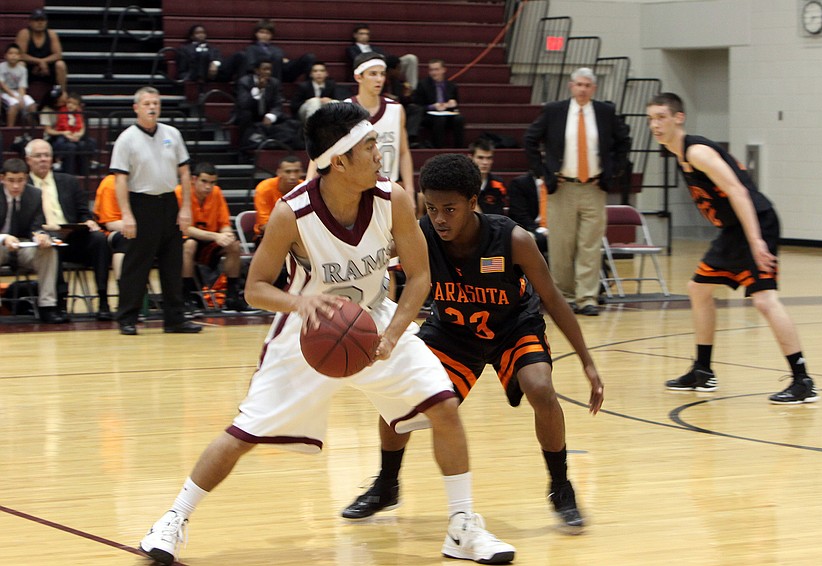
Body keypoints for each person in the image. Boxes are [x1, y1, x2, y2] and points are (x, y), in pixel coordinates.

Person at [138, 103, 515, 566]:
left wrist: (393, 334)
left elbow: (420, 277)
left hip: (375, 321)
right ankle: (173, 519)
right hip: (310, 334)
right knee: (243, 433)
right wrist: (300, 303)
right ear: (339, 160)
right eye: (369, 146)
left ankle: (462, 526)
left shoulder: (392, 197)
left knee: (444, 406)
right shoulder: (292, 213)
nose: (379, 153)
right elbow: (255, 288)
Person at [341, 153, 604, 532]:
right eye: (432, 209)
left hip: (513, 327)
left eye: (450, 209)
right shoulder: (422, 235)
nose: (440, 218)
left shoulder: (513, 239)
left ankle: (561, 486)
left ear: (473, 202)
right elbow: (369, 258)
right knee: (398, 392)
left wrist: (587, 362)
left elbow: (553, 298)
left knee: (540, 388)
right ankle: (386, 484)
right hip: (453, 332)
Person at [646, 92, 819, 405]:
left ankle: (802, 380)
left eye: (661, 117)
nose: (655, 125)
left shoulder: (697, 152)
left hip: (755, 223)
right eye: (651, 119)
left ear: (678, 118)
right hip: (734, 229)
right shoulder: (680, 154)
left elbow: (738, 191)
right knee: (699, 289)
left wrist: (755, 240)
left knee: (764, 300)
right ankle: (703, 370)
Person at [524, 67, 631, 316]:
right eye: (579, 84)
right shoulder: (555, 111)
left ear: (594, 88)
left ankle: (587, 298)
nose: (583, 89)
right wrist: (543, 173)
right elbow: (530, 139)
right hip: (562, 186)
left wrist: (612, 172)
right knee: (561, 246)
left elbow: (624, 141)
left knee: (590, 245)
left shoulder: (605, 112)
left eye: (587, 85)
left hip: (594, 187)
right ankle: (565, 297)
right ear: (571, 86)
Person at [110, 86, 202, 336]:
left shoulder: (172, 133)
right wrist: (126, 214)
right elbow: (120, 179)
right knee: (137, 264)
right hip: (141, 203)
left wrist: (185, 208)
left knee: (173, 263)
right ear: (136, 108)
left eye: (156, 103)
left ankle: (175, 319)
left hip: (169, 202)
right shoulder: (126, 139)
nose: (152, 108)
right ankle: (127, 318)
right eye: (147, 103)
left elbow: (184, 173)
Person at [26, 138, 112, 320]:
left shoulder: (68, 181)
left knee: (99, 239)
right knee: (52, 244)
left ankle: (103, 299)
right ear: (28, 160)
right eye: (38, 156)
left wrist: (88, 221)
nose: (43, 159)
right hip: (44, 240)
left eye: (47, 155)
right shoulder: (23, 185)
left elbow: (83, 212)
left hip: (72, 236)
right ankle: (59, 302)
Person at [175, 162, 256, 314]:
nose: (208, 186)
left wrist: (227, 235)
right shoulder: (180, 192)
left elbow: (224, 224)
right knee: (190, 245)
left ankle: (232, 296)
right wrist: (217, 236)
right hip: (186, 239)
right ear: (193, 179)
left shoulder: (217, 193)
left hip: (210, 241)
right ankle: (186, 296)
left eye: (212, 183)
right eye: (204, 181)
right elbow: (185, 228)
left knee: (233, 245)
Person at [343, 52, 415, 206]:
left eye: (382, 74)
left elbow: (404, 152)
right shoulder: (344, 110)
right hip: (353, 191)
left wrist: (409, 189)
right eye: (373, 74)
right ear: (358, 77)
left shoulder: (396, 109)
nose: (379, 79)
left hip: (387, 190)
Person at [0, 157, 66, 323]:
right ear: (2, 179)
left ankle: (47, 306)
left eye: (20, 180)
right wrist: (5, 238)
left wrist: (40, 235)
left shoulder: (35, 195)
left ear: (26, 179)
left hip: (23, 245)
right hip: (1, 246)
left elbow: (36, 226)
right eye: (11, 181)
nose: (16, 186)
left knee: (49, 251)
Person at [234, 58, 298, 154]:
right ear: (256, 70)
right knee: (245, 115)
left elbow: (278, 104)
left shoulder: (274, 83)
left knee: (290, 121)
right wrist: (257, 90)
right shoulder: (244, 82)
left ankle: (276, 142)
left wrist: (271, 115)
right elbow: (244, 104)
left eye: (269, 69)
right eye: (265, 69)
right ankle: (244, 148)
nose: (268, 72)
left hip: (266, 115)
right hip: (250, 115)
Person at [345, 23, 418, 90]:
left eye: (367, 34)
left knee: (411, 58)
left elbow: (386, 57)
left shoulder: (375, 48)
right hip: (369, 69)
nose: (364, 36)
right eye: (361, 34)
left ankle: (413, 89)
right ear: (355, 35)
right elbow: (357, 61)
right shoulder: (352, 49)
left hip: (385, 66)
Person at [40, 91, 97, 176]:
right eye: (68, 102)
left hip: (74, 135)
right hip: (57, 137)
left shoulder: (77, 112)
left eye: (74, 104)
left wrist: (78, 135)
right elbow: (49, 130)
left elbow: (82, 127)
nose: (70, 105)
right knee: (70, 146)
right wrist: (64, 133)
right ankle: (63, 166)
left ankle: (86, 169)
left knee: (86, 144)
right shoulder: (55, 111)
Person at [242, 19, 316, 84]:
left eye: (267, 33)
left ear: (271, 35)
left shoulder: (276, 49)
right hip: (268, 73)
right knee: (276, 57)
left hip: (283, 72)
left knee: (309, 57)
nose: (264, 35)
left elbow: (284, 63)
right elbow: (251, 66)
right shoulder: (251, 48)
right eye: (262, 32)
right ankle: (275, 89)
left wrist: (284, 61)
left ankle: (310, 88)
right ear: (256, 34)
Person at [413, 59, 465, 149]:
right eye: (431, 70)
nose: (434, 73)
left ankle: (459, 147)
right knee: (440, 119)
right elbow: (418, 106)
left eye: (436, 70)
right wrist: (433, 106)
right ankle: (438, 147)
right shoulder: (423, 84)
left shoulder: (451, 85)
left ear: (443, 70)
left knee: (459, 119)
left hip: (447, 113)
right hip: (429, 115)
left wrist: (452, 104)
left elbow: (455, 102)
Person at [252, 155, 303, 244]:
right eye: (288, 172)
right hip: (268, 236)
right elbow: (264, 225)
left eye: (296, 171)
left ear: (301, 172)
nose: (293, 176)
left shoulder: (305, 188)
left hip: (300, 235)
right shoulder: (264, 188)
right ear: (279, 172)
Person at [14, 9, 67, 92]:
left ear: (46, 22)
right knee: (20, 64)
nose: (40, 23)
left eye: (42, 20)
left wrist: (43, 62)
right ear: (30, 22)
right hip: (30, 68)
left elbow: (58, 55)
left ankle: (62, 93)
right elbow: (20, 55)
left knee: (60, 64)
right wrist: (39, 62)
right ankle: (19, 93)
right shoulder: (24, 33)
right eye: (36, 20)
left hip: (47, 69)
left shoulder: (51, 34)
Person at [92, 174, 129, 284]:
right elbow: (111, 223)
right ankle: (124, 288)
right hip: (115, 232)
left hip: (148, 231)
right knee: (125, 237)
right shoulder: (110, 183)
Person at [507, 171, 548, 257]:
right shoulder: (520, 183)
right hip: (530, 226)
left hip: (553, 226)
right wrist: (538, 229)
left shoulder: (559, 184)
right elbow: (519, 214)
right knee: (539, 239)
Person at [1, 43, 38, 127]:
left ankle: (32, 129)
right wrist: (15, 97)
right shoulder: (1, 67)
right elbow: (2, 84)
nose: (13, 56)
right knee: (14, 105)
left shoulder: (22, 69)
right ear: (5, 55)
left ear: (20, 56)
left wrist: (21, 98)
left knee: (32, 105)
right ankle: (10, 130)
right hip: (4, 93)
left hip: (18, 92)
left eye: (16, 54)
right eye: (10, 53)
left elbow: (22, 86)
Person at [469, 138, 508, 215]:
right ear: (471, 158)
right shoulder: (462, 182)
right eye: (480, 158)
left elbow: (499, 214)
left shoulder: (498, 184)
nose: (485, 162)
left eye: (489, 158)